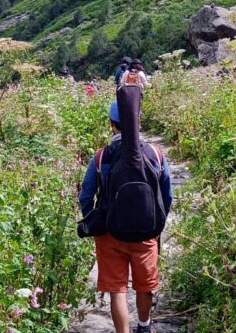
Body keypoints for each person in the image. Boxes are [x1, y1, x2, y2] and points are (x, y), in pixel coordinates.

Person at [79, 101, 173, 333]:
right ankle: (144, 326)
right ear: (137, 121)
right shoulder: (155, 154)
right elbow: (167, 194)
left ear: (112, 125)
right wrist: (156, 224)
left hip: (110, 233)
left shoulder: (102, 157)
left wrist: (94, 220)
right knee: (145, 285)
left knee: (117, 289)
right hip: (146, 231)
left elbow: (86, 195)